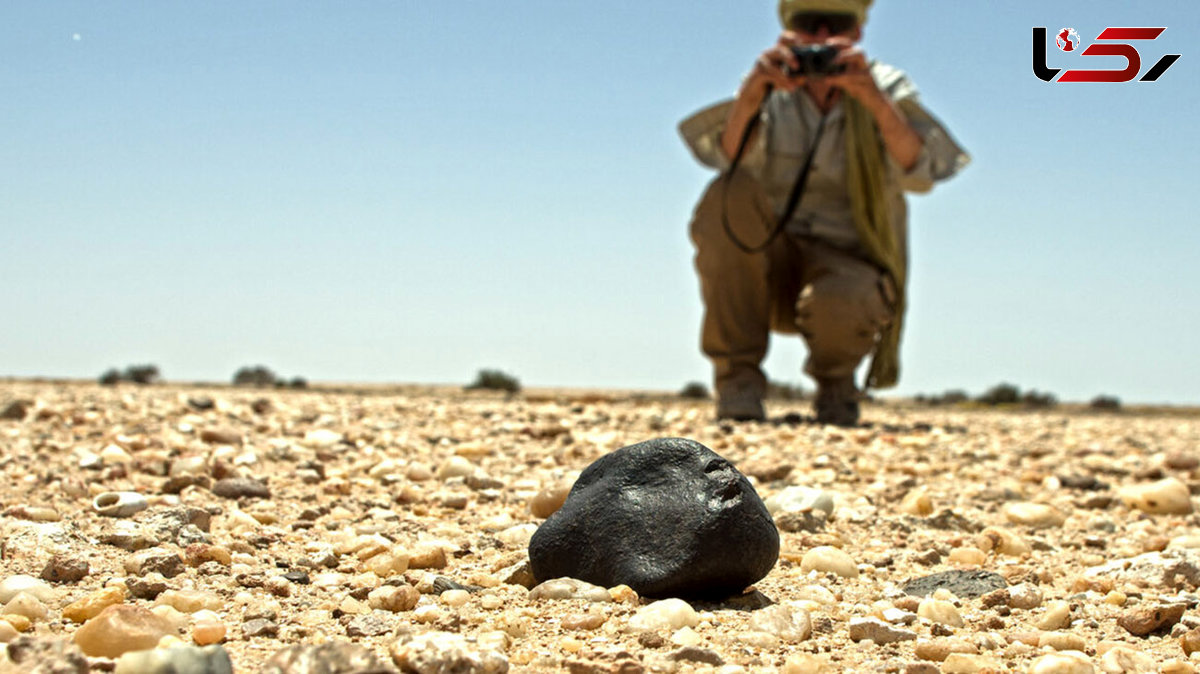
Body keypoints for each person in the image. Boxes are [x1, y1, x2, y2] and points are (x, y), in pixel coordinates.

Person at [679, 0, 968, 425]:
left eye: (835, 25)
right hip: (768, 268)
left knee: (843, 295)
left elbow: (922, 172)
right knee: (726, 193)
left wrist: (871, 97)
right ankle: (737, 380)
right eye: (807, 25)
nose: (820, 36)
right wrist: (753, 93)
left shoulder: (885, 86)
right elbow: (726, 156)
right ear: (788, 32)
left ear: (857, 33)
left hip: (846, 270)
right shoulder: (771, 82)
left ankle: (837, 386)